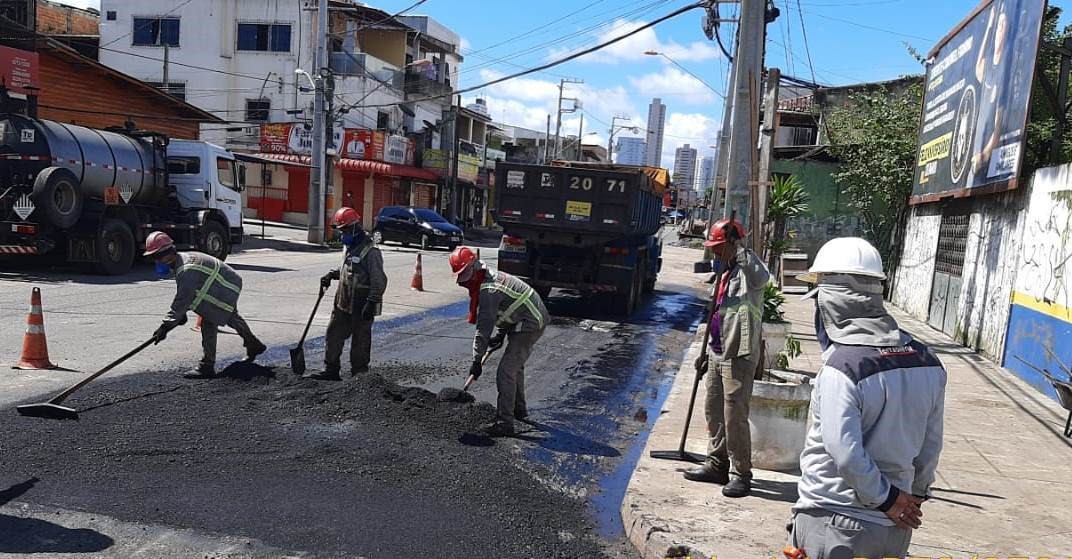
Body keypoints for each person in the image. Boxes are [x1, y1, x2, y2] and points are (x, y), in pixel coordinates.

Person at [788, 237, 947, 559]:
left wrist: (886, 499)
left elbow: (845, 453)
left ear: (831, 305)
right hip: (894, 528)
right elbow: (931, 445)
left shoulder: (842, 368)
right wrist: (912, 497)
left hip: (835, 520)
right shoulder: (927, 361)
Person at [685, 218, 769, 498]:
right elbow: (717, 310)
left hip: (740, 351)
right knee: (714, 410)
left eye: (720, 247)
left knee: (735, 415)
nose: (715, 253)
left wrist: (739, 247)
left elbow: (763, 277)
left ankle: (740, 474)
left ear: (733, 244)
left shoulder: (749, 270)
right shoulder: (724, 271)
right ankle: (716, 463)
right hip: (718, 349)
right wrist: (707, 350)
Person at [450, 246, 549, 437]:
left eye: (463, 274)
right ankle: (519, 410)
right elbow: (510, 306)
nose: (462, 281)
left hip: (531, 323)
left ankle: (505, 423)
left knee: (506, 371)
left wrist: (476, 361)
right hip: (524, 318)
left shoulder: (489, 290)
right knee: (516, 367)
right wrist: (502, 334)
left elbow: (484, 328)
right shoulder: (486, 276)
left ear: (472, 269)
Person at [145, 231, 266, 378]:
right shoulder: (182, 261)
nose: (156, 261)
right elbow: (190, 294)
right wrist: (179, 315)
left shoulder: (185, 269)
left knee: (210, 319)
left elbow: (183, 299)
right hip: (225, 283)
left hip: (227, 285)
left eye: (157, 257)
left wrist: (165, 326)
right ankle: (254, 344)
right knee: (229, 316)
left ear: (168, 253)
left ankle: (207, 366)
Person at [309, 207, 388, 381]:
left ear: (354, 227)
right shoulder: (349, 246)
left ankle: (359, 376)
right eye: (340, 230)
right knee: (333, 335)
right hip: (343, 302)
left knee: (360, 342)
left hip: (362, 305)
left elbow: (379, 281)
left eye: (344, 230)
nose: (342, 234)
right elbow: (350, 269)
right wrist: (332, 274)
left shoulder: (371, 251)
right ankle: (331, 370)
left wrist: (372, 302)